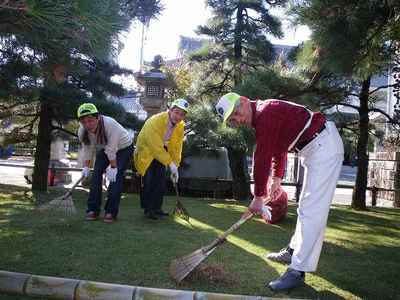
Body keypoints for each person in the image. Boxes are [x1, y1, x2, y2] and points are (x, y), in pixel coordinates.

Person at [215, 92, 343, 291]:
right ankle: (293, 251)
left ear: (244, 101)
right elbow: (278, 148)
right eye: (232, 120)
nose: (238, 120)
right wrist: (276, 179)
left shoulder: (267, 112)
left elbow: (262, 156)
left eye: (236, 113)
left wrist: (258, 197)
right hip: (314, 148)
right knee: (305, 209)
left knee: (312, 211)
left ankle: (297, 271)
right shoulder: (262, 117)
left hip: (324, 147)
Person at [77, 103, 133, 224]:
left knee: (115, 178)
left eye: (90, 120)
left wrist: (113, 167)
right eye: (84, 122)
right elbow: (88, 149)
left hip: (123, 148)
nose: (87, 124)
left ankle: (110, 212)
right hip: (105, 148)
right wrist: (86, 166)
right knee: (96, 174)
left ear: (97, 118)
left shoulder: (110, 124)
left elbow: (111, 150)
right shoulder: (82, 130)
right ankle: (93, 209)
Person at [134, 99, 189, 220]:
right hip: (147, 149)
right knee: (149, 179)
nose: (178, 116)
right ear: (170, 110)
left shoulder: (180, 126)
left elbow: (176, 147)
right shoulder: (155, 121)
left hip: (162, 151)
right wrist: (170, 163)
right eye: (176, 112)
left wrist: (176, 165)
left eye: (182, 114)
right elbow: (155, 146)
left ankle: (157, 208)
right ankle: (148, 209)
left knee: (160, 181)